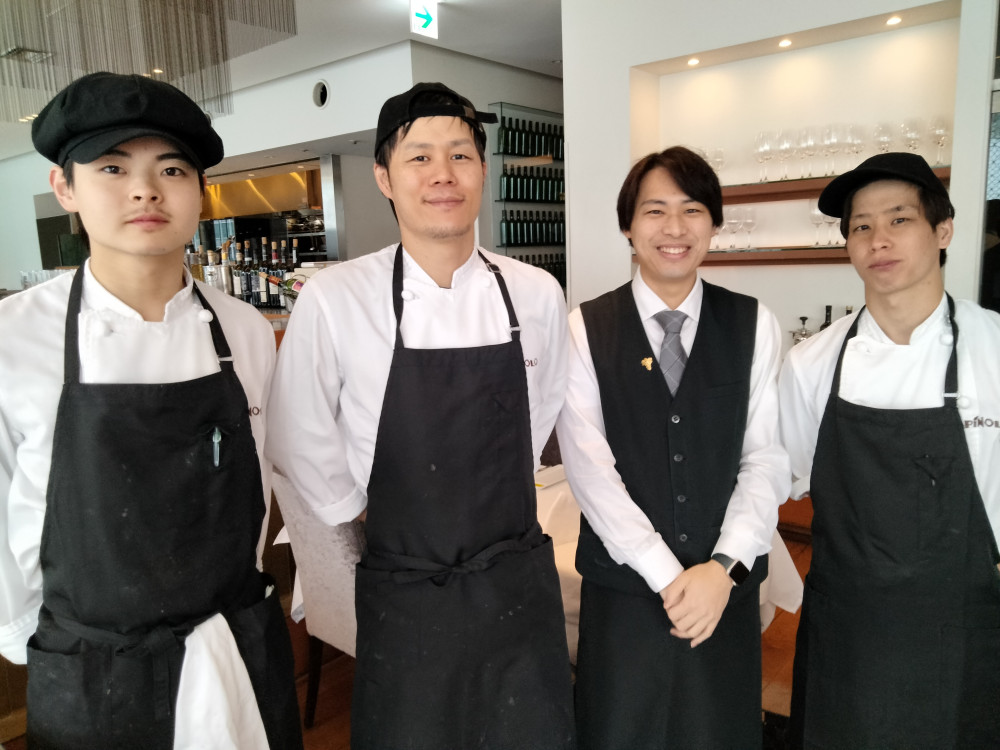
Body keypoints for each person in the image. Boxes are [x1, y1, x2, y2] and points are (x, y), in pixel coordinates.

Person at [266, 82, 575, 749]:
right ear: (384, 177)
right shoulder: (336, 297)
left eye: (461, 155)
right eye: (420, 158)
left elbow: (546, 403)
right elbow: (295, 435)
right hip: (406, 582)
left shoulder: (535, 293)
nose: (443, 174)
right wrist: (358, 510)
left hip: (514, 575)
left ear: (483, 170)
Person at [0, 72, 302, 749]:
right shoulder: (13, 339)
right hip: (92, 668)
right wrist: (34, 641)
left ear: (200, 190)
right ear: (65, 187)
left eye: (171, 169)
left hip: (235, 649)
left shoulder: (244, 330)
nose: (145, 190)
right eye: (113, 168)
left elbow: (263, 476)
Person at [557, 146, 790, 749]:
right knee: (620, 731)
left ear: (714, 223)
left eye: (692, 210)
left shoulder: (754, 324)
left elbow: (766, 458)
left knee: (718, 732)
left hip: (722, 592)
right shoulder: (585, 328)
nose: (674, 228)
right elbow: (590, 471)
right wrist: (667, 576)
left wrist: (724, 569)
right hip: (625, 592)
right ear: (628, 227)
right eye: (655, 210)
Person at [779, 152, 1000, 748]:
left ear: (943, 230)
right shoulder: (812, 364)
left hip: (967, 628)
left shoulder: (994, 349)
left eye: (899, 219)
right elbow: (777, 479)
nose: (878, 239)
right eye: (861, 226)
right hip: (850, 635)